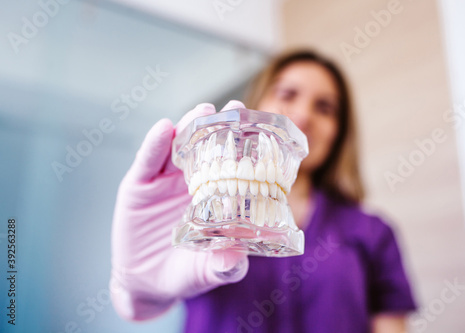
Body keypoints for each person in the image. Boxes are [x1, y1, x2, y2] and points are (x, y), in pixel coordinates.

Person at [110, 50, 417, 333]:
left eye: (325, 107)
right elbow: (137, 306)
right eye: (287, 94)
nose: (303, 115)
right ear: (258, 104)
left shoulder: (373, 232)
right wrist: (139, 291)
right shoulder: (198, 211)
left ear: (339, 132)